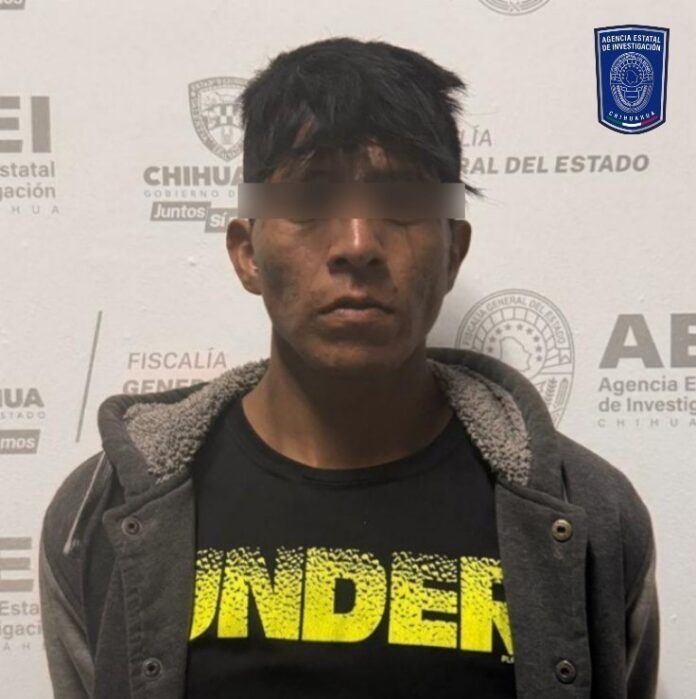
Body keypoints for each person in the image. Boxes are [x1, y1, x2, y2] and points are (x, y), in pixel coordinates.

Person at [39, 37, 659, 699]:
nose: (358, 243)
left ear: (453, 250)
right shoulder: (101, 516)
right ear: (247, 252)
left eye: (403, 199)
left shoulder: (589, 514)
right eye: (311, 198)